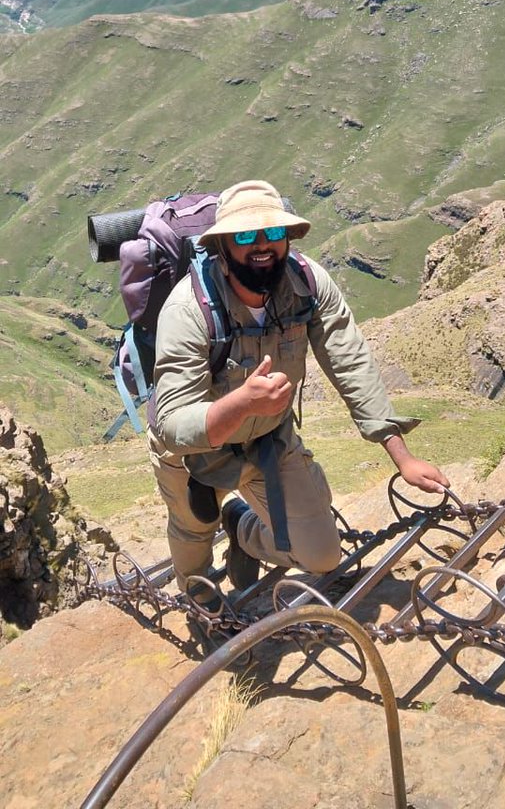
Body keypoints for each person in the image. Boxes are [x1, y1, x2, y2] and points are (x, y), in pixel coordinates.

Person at [148, 179, 449, 597]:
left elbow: (351, 362)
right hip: (196, 451)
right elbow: (171, 424)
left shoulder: (306, 284)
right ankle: (203, 604)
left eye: (273, 232)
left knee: (323, 556)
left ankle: (243, 528)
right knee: (194, 527)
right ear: (222, 247)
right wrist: (242, 402)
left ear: (287, 237)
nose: (262, 245)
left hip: (270, 438)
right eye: (245, 235)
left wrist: (402, 457)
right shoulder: (188, 310)